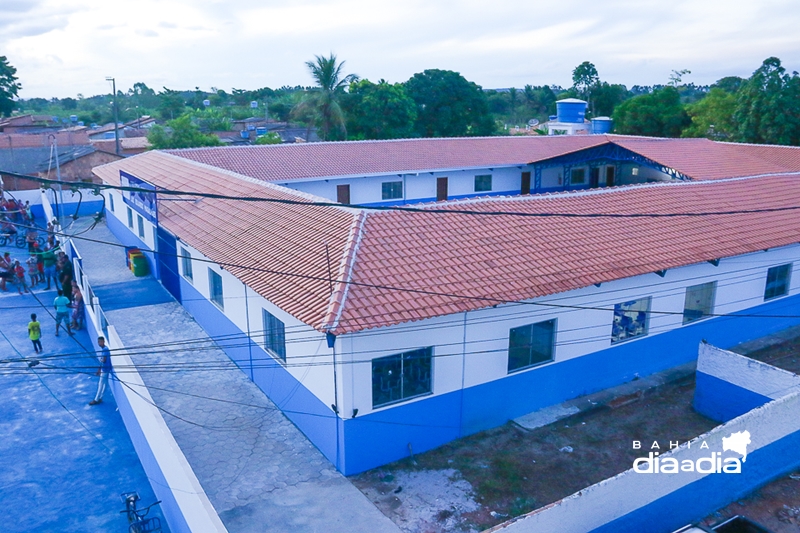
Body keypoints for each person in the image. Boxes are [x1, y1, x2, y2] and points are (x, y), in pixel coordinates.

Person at [89, 336, 112, 406]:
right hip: (105, 369)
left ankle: (96, 399)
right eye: (98, 342)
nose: (99, 343)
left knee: (101, 384)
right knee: (105, 383)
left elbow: (103, 360)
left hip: (105, 369)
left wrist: (101, 362)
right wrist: (99, 369)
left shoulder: (105, 350)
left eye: (100, 342)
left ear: (103, 341)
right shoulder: (105, 349)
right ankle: (101, 397)